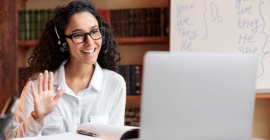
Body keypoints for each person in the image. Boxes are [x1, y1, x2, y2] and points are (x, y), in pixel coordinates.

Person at [4, 0, 126, 139]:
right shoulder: (38, 84)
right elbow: (11, 138)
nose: (90, 42)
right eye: (78, 35)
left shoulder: (115, 83)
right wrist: (37, 118)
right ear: (63, 42)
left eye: (94, 31)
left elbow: (117, 137)